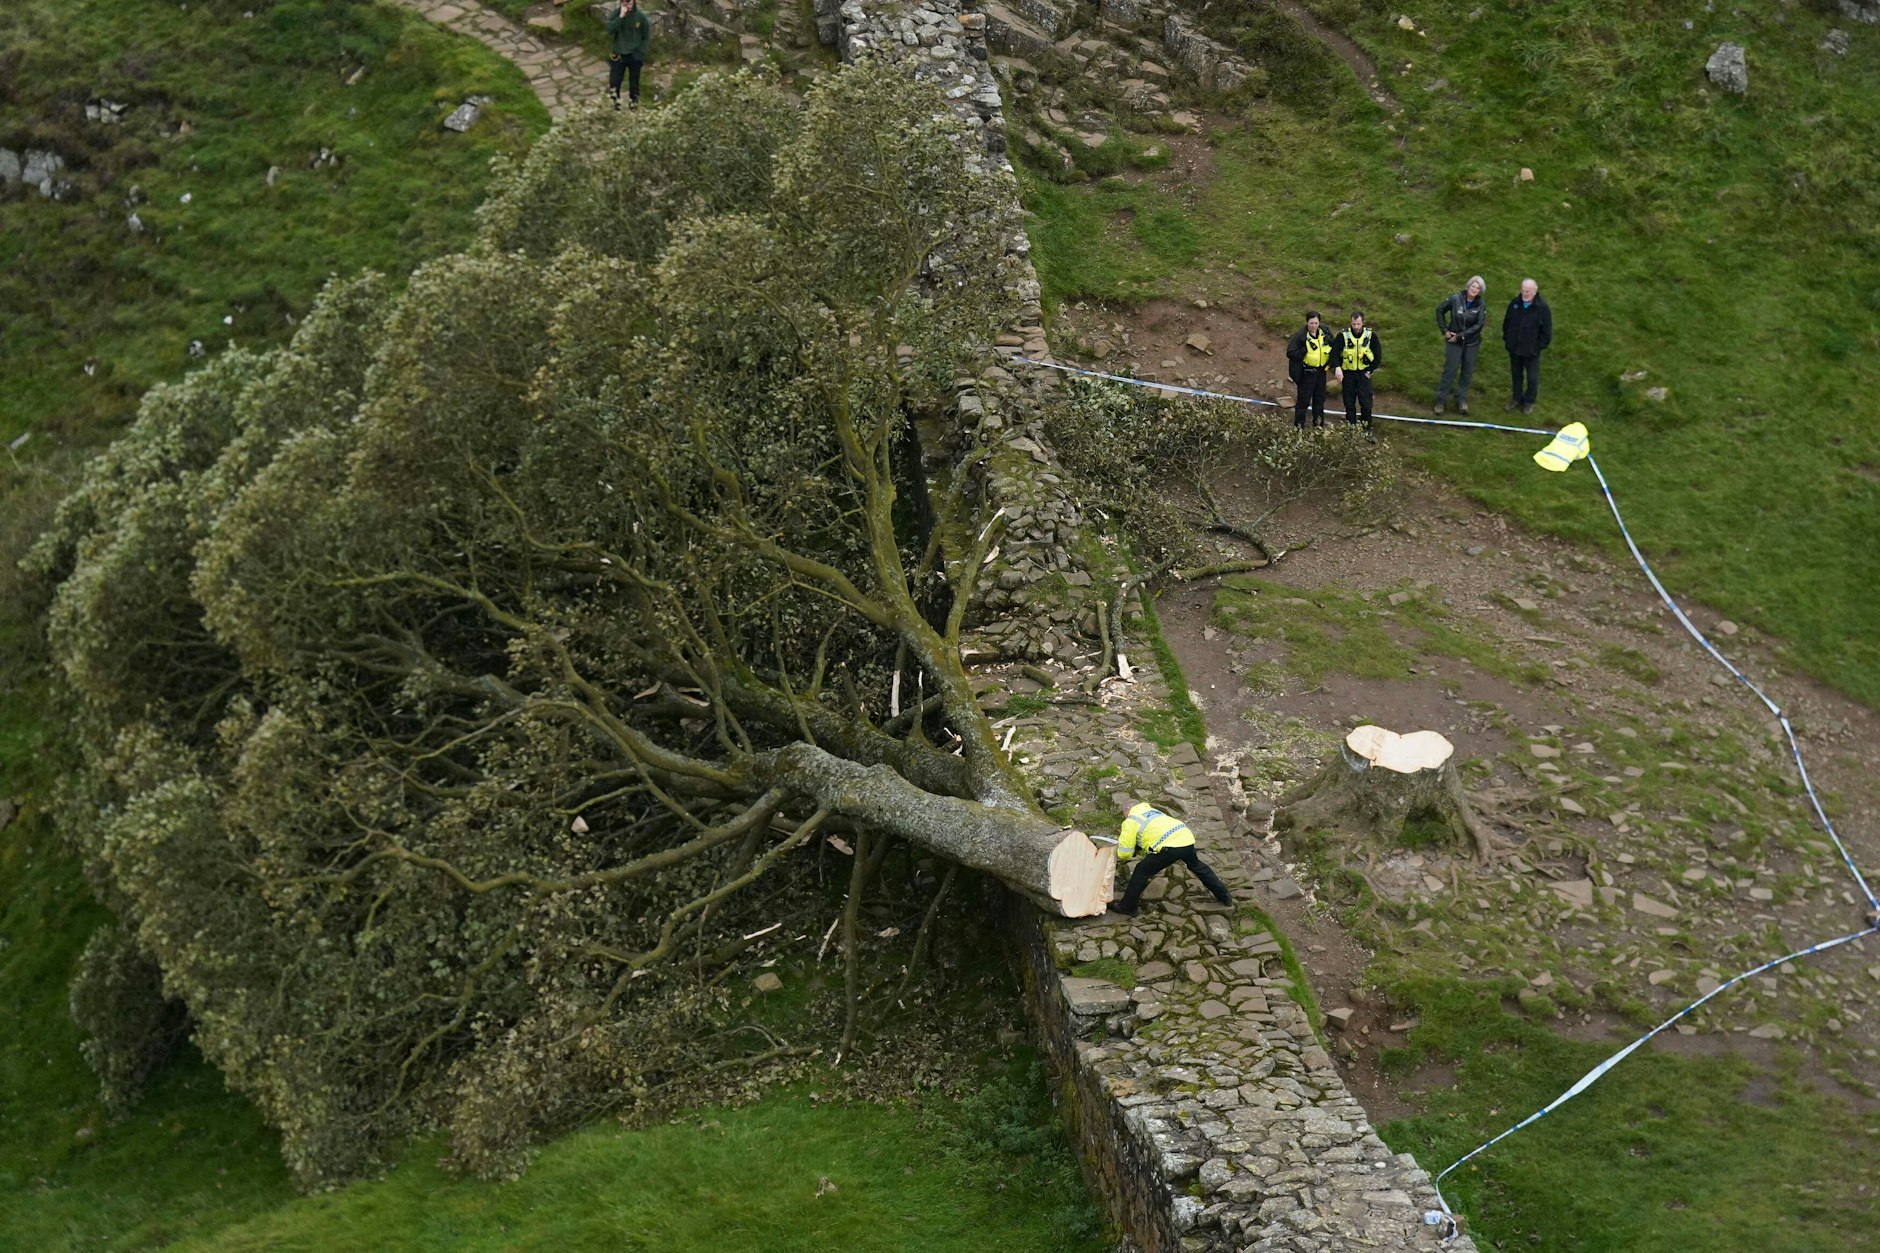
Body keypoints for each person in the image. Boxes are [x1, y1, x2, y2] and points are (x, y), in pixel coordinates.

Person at [1110, 800, 1235, 917]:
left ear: (1127, 809)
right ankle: (1224, 896)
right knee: (1197, 866)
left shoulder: (1131, 820)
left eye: (1124, 813)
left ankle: (1127, 907)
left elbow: (1125, 852)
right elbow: (1151, 834)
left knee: (1141, 871)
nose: (1124, 816)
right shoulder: (1153, 812)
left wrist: (1124, 852)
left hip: (1169, 847)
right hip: (1185, 838)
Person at [1432, 275, 1486, 416]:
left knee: (1467, 371)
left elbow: (1479, 325)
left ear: (1480, 291)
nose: (1474, 289)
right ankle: (1440, 400)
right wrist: (1444, 330)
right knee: (1450, 370)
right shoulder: (1456, 298)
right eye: (1473, 286)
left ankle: (1461, 399)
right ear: (1468, 286)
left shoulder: (1480, 305)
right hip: (1454, 343)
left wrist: (1461, 335)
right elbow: (1440, 310)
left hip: (1471, 343)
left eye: (1477, 288)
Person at [1502, 277, 1553, 414]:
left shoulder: (1542, 308)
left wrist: (1537, 347)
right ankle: (1516, 398)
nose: (1525, 294)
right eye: (1523, 290)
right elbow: (1507, 323)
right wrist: (1508, 340)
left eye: (1528, 291)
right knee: (1516, 375)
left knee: (1532, 378)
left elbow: (1546, 332)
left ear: (1535, 291)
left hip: (1531, 351)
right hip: (1514, 349)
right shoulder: (1515, 303)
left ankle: (1529, 401)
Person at [1333, 309, 1381, 436]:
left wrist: (1370, 370)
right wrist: (1337, 367)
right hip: (1348, 373)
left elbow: (1378, 355)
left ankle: (1367, 430)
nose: (1355, 327)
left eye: (1358, 324)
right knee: (1349, 403)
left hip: (1363, 374)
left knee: (1366, 404)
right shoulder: (1343, 335)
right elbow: (1334, 353)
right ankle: (1351, 430)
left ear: (1363, 322)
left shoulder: (1371, 335)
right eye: (1353, 324)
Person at [1285, 310, 1333, 428]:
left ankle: (1318, 427)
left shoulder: (1325, 333)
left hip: (1321, 372)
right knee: (1303, 402)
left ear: (1319, 323)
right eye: (1311, 323)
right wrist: (1304, 350)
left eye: (1316, 323)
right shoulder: (1301, 336)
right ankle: (1299, 428)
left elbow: (1334, 346)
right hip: (1307, 373)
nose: (1314, 326)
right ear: (1307, 322)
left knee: (1319, 401)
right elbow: (1290, 353)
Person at [605, 0, 652, 111]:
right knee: (614, 83)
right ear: (621, 3)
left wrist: (641, 53)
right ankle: (616, 107)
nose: (628, 6)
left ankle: (633, 105)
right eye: (625, 3)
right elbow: (609, 30)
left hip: (634, 56)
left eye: (630, 3)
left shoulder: (641, 17)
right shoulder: (616, 14)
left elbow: (646, 36)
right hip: (619, 55)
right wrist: (621, 17)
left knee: (634, 84)